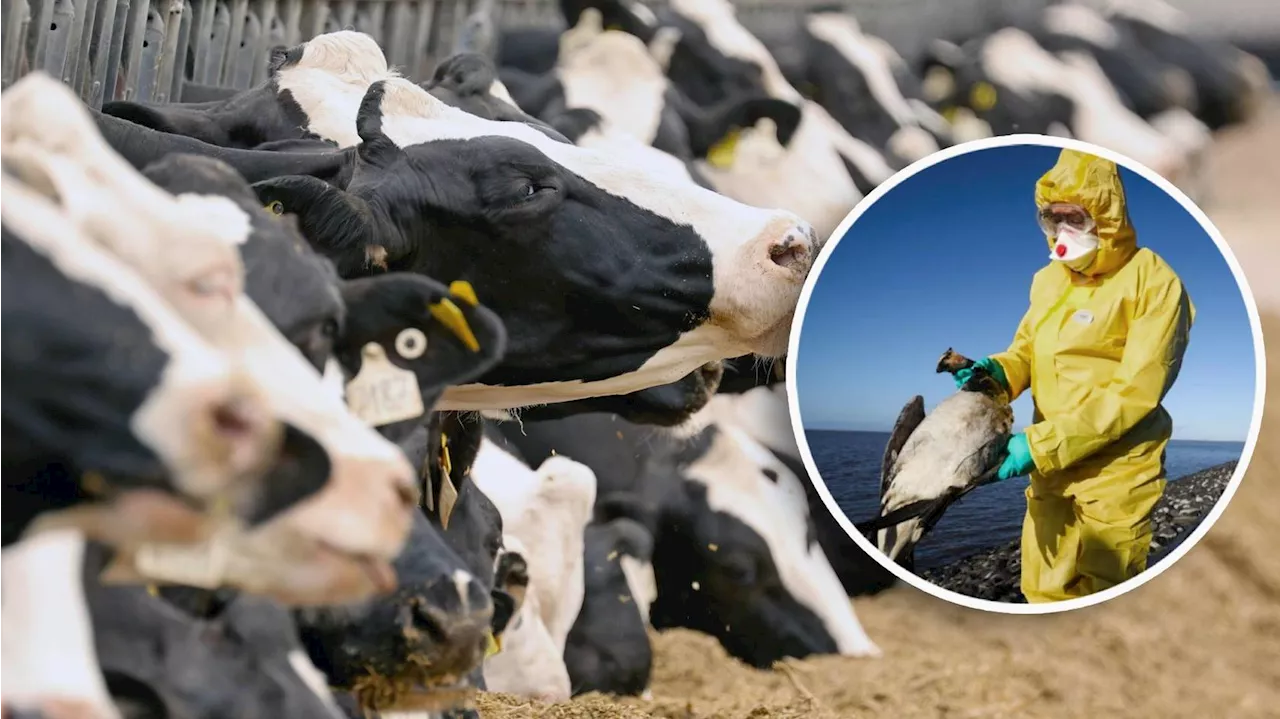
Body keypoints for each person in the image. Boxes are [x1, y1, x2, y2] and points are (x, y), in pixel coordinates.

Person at [954, 148, 1195, 603]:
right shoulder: (1048, 280)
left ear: (1106, 216)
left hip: (1117, 471)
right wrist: (994, 375)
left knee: (1108, 592)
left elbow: (1135, 392)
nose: (1063, 232)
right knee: (1042, 586)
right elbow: (1027, 351)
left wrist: (1039, 445)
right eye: (1053, 218)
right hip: (1050, 470)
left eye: (1075, 218)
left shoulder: (1153, 281)